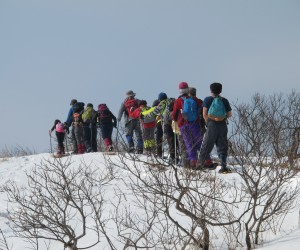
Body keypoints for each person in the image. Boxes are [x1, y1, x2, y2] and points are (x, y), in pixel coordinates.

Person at [197, 82, 232, 173]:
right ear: (220, 90)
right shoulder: (224, 100)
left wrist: (208, 122)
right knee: (222, 145)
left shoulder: (207, 99)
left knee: (207, 144)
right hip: (222, 125)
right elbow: (229, 114)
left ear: (211, 90)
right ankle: (223, 165)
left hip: (212, 124)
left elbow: (204, 113)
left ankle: (200, 164)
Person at [172, 82, 202, 168]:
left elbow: (174, 116)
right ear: (187, 89)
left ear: (179, 91)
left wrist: (176, 119)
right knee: (199, 142)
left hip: (183, 125)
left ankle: (193, 161)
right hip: (195, 123)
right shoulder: (194, 100)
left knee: (189, 144)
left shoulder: (177, 101)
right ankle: (206, 160)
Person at [144, 93, 178, 163]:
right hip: (175, 121)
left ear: (160, 99)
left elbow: (154, 112)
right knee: (175, 138)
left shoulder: (162, 103)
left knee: (168, 139)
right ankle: (176, 155)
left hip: (166, 122)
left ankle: (169, 156)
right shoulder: (172, 101)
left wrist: (145, 116)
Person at [188, 87, 214, 168]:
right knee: (202, 144)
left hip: (190, 125)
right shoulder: (200, 101)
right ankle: (207, 160)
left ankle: (194, 162)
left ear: (189, 93)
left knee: (191, 144)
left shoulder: (188, 102)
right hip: (201, 125)